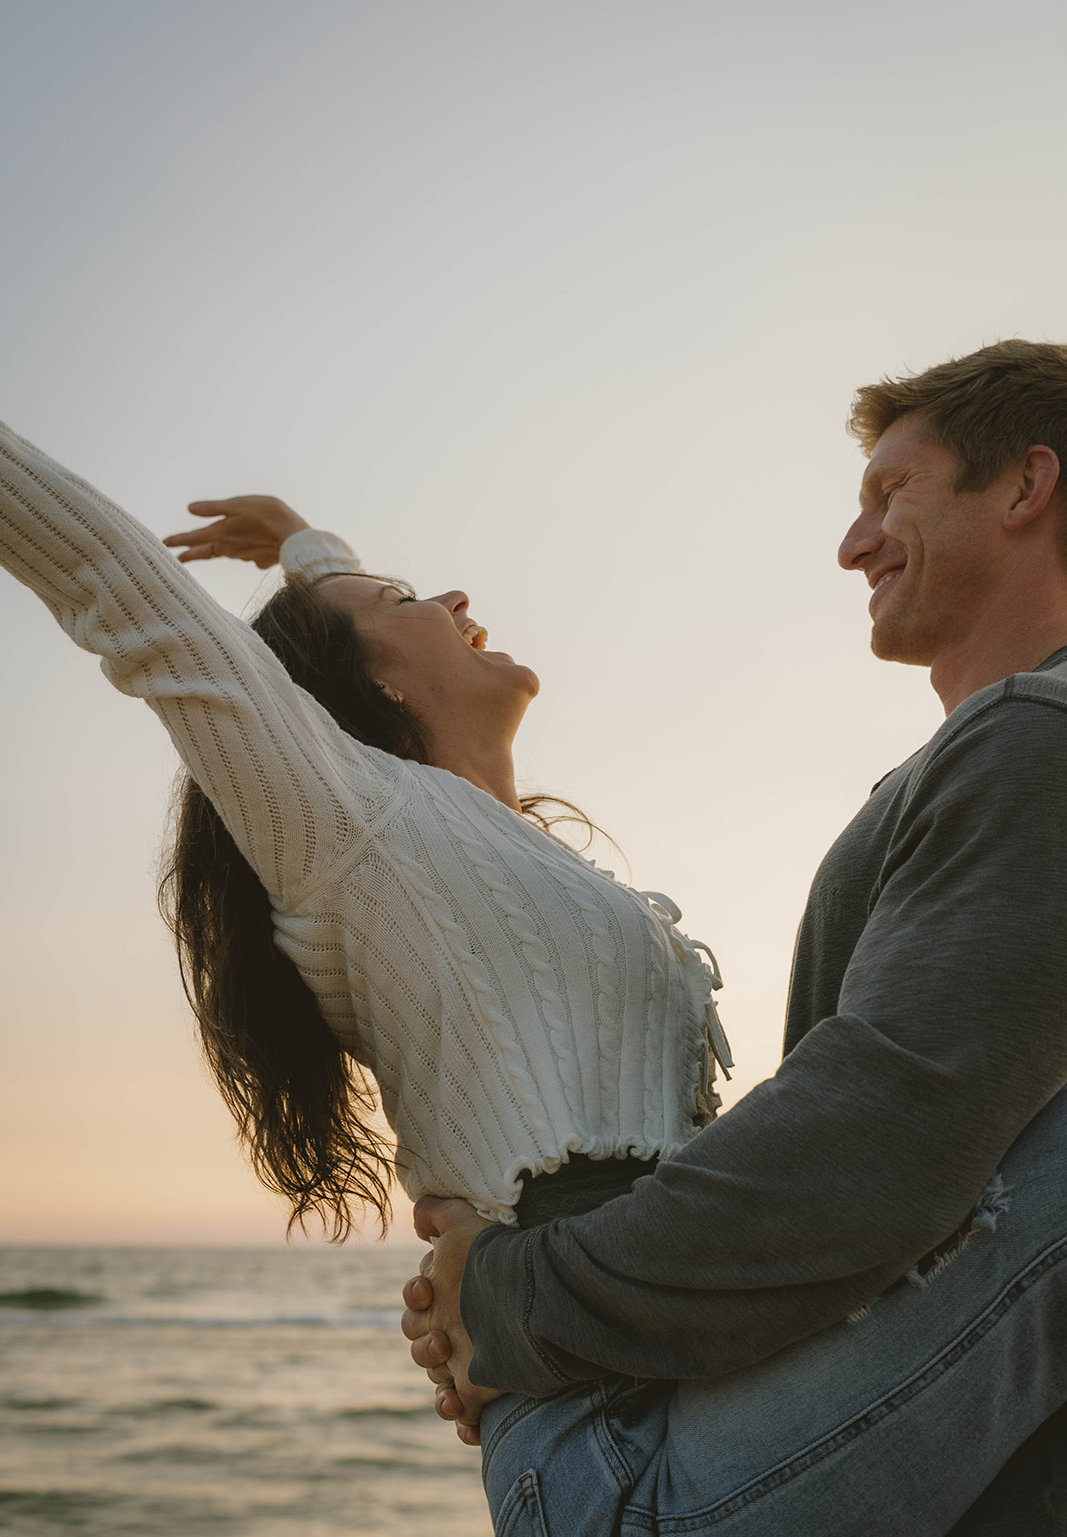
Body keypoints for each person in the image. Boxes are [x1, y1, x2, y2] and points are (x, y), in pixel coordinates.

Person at [402, 339, 1067, 1536]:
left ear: (1023, 489)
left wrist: (511, 1303)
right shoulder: (976, 759)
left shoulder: (1034, 734)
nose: (851, 542)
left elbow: (875, 1134)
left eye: (890, 494)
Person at [0, 424, 729, 1250]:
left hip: (677, 1261)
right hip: (580, 1296)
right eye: (402, 601)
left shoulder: (497, 850)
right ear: (372, 685)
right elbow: (124, 585)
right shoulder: (352, 819)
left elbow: (338, 628)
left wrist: (297, 541)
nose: (454, 600)